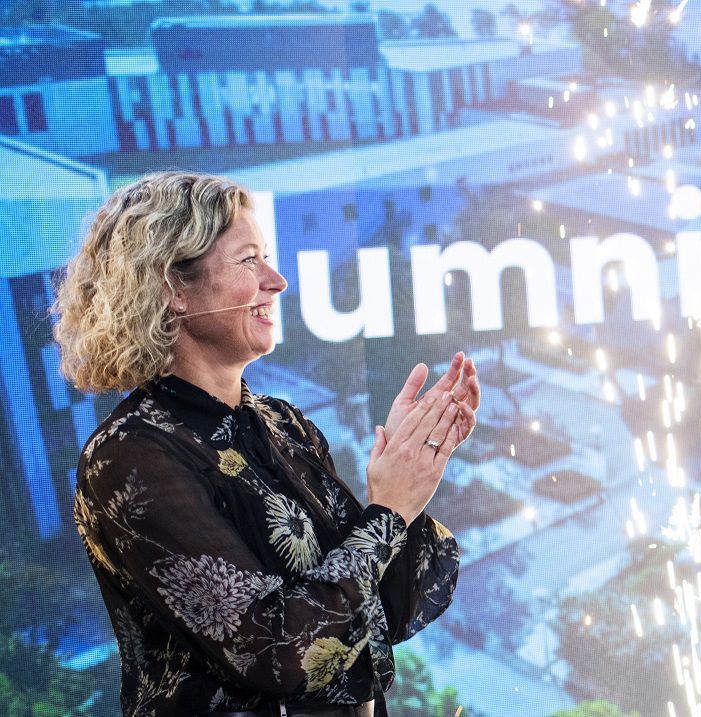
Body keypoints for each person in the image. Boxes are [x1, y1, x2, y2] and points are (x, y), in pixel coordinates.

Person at [56, 171, 475, 717]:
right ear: (171, 288)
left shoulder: (285, 426)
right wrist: (389, 513)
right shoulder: (129, 456)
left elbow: (385, 612)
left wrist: (404, 480)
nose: (276, 281)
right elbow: (276, 651)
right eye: (249, 260)